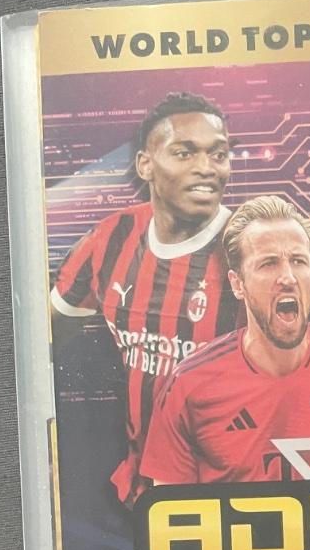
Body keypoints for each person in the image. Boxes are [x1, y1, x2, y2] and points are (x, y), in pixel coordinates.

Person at [141, 194, 310, 484]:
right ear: (238, 284)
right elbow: (168, 507)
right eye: (268, 263)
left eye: (298, 261)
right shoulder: (188, 384)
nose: (288, 277)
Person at [49, 91, 238, 503]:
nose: (206, 168)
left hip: (232, 496)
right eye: (184, 153)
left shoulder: (253, 248)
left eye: (219, 154)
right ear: (145, 165)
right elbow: (45, 337)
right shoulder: (111, 237)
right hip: (142, 490)